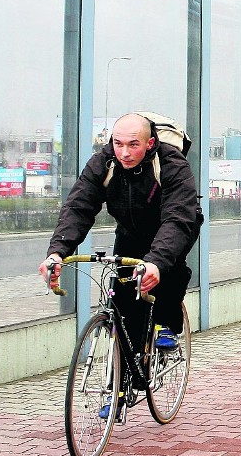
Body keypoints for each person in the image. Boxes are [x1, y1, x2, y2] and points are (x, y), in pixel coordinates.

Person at [39, 113, 201, 414]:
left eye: (133, 145)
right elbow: (79, 205)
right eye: (118, 144)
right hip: (131, 231)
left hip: (176, 224)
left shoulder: (172, 165)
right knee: (124, 305)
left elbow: (178, 219)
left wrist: (155, 263)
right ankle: (119, 391)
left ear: (150, 143)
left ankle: (167, 325)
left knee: (167, 270)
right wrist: (57, 252)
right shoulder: (104, 162)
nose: (124, 152)